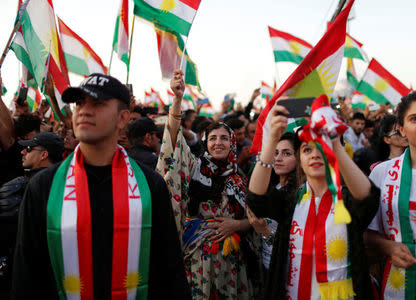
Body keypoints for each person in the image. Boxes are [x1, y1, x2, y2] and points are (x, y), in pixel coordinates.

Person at [11, 73, 190, 299]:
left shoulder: (150, 186)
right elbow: (26, 275)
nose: (84, 110)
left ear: (123, 118)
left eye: (97, 103)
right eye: (80, 103)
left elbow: (169, 272)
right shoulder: (43, 187)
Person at [246, 104, 380, 300]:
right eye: (307, 150)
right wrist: (273, 137)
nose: (315, 155)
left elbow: (368, 198)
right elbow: (256, 198)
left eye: (322, 148)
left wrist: (334, 141)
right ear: (300, 158)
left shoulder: (348, 200)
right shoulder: (291, 200)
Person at [157, 70, 258, 299]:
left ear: (232, 143)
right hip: (197, 261)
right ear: (205, 142)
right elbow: (172, 142)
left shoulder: (241, 179)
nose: (218, 143)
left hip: (232, 264)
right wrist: (177, 99)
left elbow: (255, 220)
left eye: (224, 138)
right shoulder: (193, 166)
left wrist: (237, 225)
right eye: (212, 138)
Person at [365, 91, 416, 299]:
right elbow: (367, 232)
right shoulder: (382, 173)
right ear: (402, 129)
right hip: (399, 279)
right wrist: (389, 246)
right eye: (414, 118)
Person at [0, 132, 64, 297]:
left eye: (28, 149)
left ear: (44, 154)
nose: (22, 152)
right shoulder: (66, 185)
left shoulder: (30, 187)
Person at [247, 132, 300, 272]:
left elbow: (296, 245)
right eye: (275, 153)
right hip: (265, 265)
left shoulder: (301, 195)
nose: (278, 158)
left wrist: (265, 232)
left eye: (287, 153)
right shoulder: (273, 186)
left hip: (288, 271)